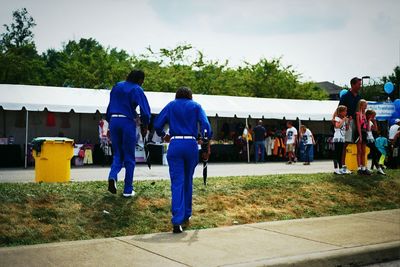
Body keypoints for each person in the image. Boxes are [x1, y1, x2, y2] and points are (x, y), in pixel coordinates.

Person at [154, 87, 212, 234]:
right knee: (188, 180)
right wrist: (205, 139)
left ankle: (177, 220)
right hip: (191, 144)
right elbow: (205, 125)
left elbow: (157, 124)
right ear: (190, 96)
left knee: (177, 182)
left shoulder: (171, 105)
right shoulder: (196, 106)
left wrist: (163, 134)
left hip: (175, 144)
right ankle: (187, 213)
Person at [106, 70, 151, 197]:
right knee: (129, 156)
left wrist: (110, 123)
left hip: (114, 120)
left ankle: (112, 176)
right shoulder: (137, 89)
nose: (142, 83)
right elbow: (145, 111)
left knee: (117, 154)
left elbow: (110, 107)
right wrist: (145, 125)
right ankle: (127, 190)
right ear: (139, 79)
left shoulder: (117, 86)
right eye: (143, 81)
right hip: (127, 122)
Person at [334, 77, 362, 174]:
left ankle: (360, 167)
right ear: (353, 85)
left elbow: (359, 110)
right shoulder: (345, 96)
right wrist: (340, 120)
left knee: (357, 143)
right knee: (344, 145)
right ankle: (342, 166)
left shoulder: (359, 96)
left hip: (356, 122)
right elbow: (338, 110)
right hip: (346, 122)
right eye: (359, 84)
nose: (360, 86)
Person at [355, 99, 371, 175]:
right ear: (361, 105)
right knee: (359, 151)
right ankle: (359, 168)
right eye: (365, 105)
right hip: (359, 133)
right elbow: (358, 125)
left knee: (364, 151)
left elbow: (367, 127)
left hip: (364, 132)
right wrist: (360, 135)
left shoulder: (365, 114)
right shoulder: (358, 114)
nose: (366, 107)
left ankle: (364, 167)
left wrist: (368, 121)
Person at [333, 105, 348, 174]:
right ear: (341, 112)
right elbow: (337, 126)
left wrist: (348, 122)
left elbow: (346, 129)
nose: (346, 112)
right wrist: (343, 120)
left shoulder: (343, 119)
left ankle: (341, 168)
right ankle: (336, 169)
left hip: (342, 138)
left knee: (340, 154)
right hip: (337, 138)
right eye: (345, 111)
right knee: (336, 154)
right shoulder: (337, 118)